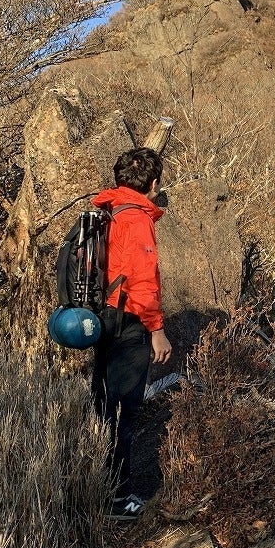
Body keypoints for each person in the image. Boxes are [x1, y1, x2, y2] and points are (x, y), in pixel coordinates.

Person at [91, 147, 173, 517]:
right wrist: (157, 330)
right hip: (128, 322)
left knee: (104, 404)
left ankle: (98, 486)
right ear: (153, 184)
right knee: (124, 409)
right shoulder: (137, 218)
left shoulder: (108, 209)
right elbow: (142, 281)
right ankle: (119, 498)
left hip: (104, 318)